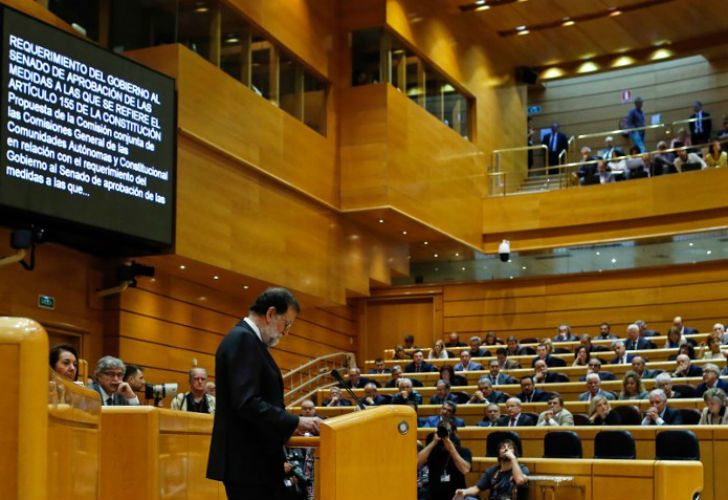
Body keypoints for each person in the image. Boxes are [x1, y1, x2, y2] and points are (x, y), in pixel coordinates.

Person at [206, 288, 321, 499]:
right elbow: (247, 402)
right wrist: (295, 422)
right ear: (270, 314)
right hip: (248, 465)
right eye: (286, 324)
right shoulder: (242, 340)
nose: (286, 332)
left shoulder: (249, 341)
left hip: (253, 464)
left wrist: (286, 427)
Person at [453, 439, 528, 500]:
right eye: (503, 447)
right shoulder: (493, 470)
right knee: (468, 499)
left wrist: (513, 458)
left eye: (510, 447)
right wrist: (464, 492)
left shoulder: (522, 468)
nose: (506, 450)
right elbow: (477, 488)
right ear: (498, 453)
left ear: (515, 452)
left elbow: (519, 480)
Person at [417, 424, 472, 500]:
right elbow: (416, 463)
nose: (444, 435)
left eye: (447, 431)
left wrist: (451, 448)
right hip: (434, 496)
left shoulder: (463, 451)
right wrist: (433, 442)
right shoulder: (432, 450)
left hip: (456, 497)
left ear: (454, 432)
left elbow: (465, 470)